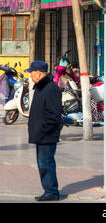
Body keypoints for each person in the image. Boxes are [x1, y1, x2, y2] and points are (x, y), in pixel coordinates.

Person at [24, 60, 62, 201]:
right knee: (43, 163)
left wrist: (42, 129)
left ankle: (51, 192)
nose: (30, 75)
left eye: (31, 72)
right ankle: (49, 190)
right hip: (41, 134)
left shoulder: (50, 88)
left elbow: (54, 114)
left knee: (45, 163)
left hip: (47, 135)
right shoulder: (41, 86)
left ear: (39, 73)